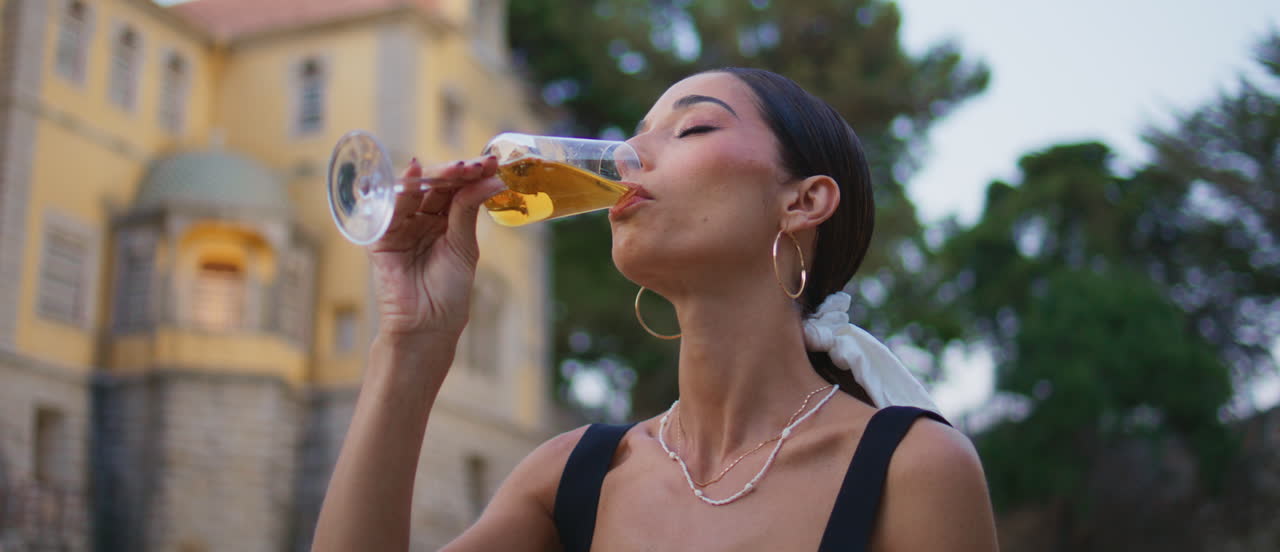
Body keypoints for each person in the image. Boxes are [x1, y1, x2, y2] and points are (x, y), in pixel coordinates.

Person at [312, 68, 1000, 551]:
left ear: (803, 202)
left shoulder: (913, 470)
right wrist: (412, 339)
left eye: (693, 127)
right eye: (636, 134)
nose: (627, 156)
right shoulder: (572, 477)